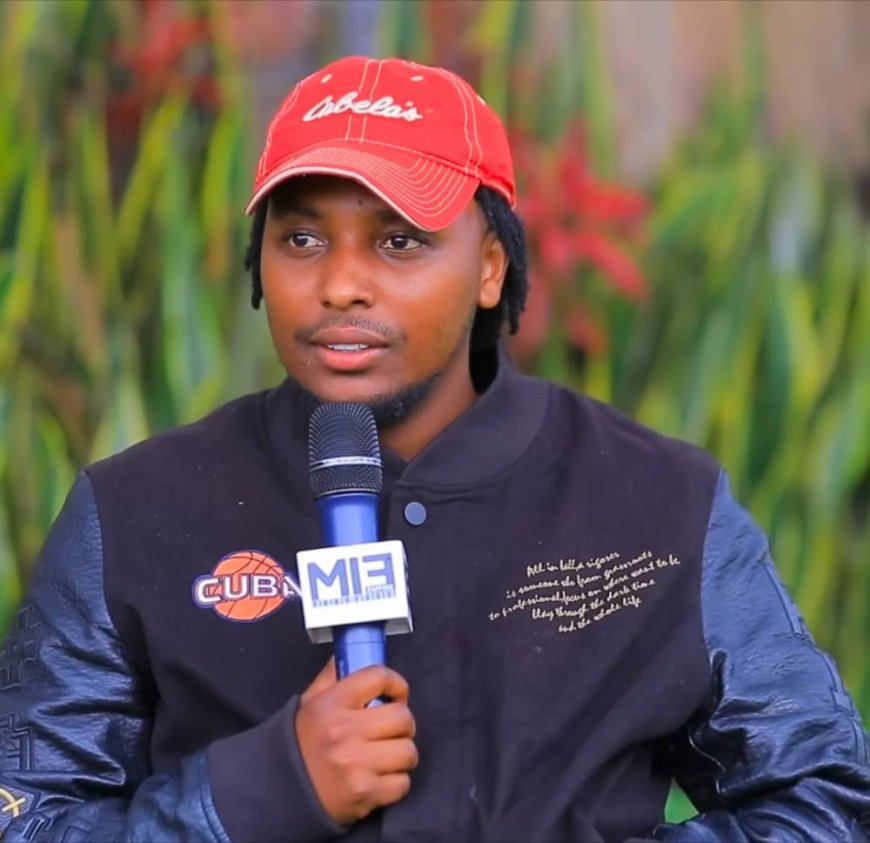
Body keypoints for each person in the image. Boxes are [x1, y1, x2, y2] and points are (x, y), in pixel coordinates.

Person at [0, 54, 868, 843]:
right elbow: (27, 816)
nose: (341, 283)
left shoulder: (660, 503)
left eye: (399, 241)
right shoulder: (133, 513)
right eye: (302, 239)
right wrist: (258, 790)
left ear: (490, 266)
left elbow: (824, 798)